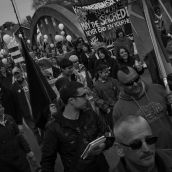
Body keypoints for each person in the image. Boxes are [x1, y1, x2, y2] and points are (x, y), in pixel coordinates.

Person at [41, 81, 114, 172]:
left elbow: (109, 134)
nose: (87, 98)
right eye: (83, 96)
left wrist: (104, 145)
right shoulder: (54, 127)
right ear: (71, 100)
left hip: (101, 167)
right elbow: (47, 161)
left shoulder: (90, 114)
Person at [113, 66, 172, 149]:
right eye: (129, 83)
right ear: (120, 85)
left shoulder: (157, 89)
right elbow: (122, 142)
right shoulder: (118, 110)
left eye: (136, 79)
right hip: (151, 155)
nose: (135, 84)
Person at [0, 103, 36, 172]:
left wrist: (28, 150)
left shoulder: (9, 118)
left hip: (20, 158)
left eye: (1, 107)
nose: (1, 109)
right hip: (6, 164)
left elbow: (19, 136)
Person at [10, 66, 41, 144]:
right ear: (13, 76)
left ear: (21, 72)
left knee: (42, 125)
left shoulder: (28, 80)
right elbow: (15, 103)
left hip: (36, 108)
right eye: (15, 74)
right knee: (34, 129)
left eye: (18, 73)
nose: (17, 75)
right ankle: (40, 143)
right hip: (26, 112)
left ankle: (46, 139)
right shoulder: (13, 87)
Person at [93, 64, 119, 129]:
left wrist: (119, 102)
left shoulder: (113, 80)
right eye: (106, 72)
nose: (108, 73)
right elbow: (96, 99)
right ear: (99, 73)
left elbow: (119, 91)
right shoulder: (96, 85)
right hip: (109, 110)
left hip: (118, 106)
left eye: (108, 71)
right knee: (115, 127)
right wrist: (106, 108)